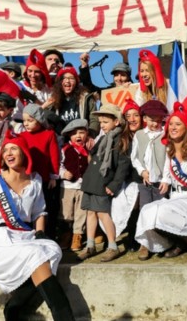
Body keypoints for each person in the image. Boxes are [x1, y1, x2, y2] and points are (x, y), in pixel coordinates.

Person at [0, 134, 75, 321]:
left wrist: (41, 233)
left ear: (24, 153)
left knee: (52, 250)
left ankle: (14, 307)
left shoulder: (35, 181)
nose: (8, 153)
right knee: (38, 256)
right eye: (5, 150)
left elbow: (39, 212)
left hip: (24, 237)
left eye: (14, 149)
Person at [135, 102, 187, 266]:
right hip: (177, 195)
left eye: (178, 124)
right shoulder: (170, 149)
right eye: (171, 124)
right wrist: (166, 180)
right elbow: (167, 171)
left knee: (162, 212)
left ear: (186, 127)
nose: (173, 127)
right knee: (148, 212)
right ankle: (181, 242)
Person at [77, 104, 127, 263]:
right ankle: (90, 245)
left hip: (103, 182)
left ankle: (113, 246)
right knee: (90, 213)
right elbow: (93, 155)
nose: (102, 125)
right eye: (101, 122)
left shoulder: (121, 140)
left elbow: (122, 166)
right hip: (92, 180)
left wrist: (114, 185)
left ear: (117, 122)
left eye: (105, 122)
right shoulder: (104, 138)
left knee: (103, 214)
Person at [130, 100, 168, 260]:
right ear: (145, 118)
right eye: (152, 119)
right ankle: (144, 244)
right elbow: (135, 157)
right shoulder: (139, 135)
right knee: (145, 210)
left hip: (161, 181)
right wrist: (142, 171)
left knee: (161, 212)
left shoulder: (165, 134)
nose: (155, 123)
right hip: (146, 181)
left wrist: (166, 179)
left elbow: (169, 159)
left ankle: (162, 243)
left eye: (158, 120)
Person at [20, 104, 61, 238]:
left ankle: (45, 234)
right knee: (27, 206)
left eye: (30, 120)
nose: (26, 123)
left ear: (39, 120)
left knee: (44, 207)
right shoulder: (22, 135)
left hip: (43, 178)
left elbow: (54, 156)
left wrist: (53, 176)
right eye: (24, 120)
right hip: (27, 179)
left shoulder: (49, 135)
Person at [111, 100, 144, 252]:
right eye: (128, 115)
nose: (132, 119)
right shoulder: (122, 138)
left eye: (136, 115)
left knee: (138, 198)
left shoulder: (146, 136)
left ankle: (139, 237)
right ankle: (130, 234)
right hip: (127, 181)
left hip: (144, 180)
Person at [58, 119, 90, 252]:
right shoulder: (65, 149)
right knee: (66, 212)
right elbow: (58, 165)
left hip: (83, 186)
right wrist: (63, 173)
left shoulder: (88, 150)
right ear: (69, 136)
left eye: (81, 133)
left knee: (81, 212)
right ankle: (66, 235)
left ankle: (78, 235)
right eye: (74, 133)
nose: (78, 136)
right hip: (68, 186)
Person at [43, 66, 99, 135]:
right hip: (61, 141)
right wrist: (44, 106)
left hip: (82, 139)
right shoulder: (53, 100)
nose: (67, 81)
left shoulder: (86, 98)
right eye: (63, 78)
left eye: (71, 78)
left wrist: (91, 135)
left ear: (76, 81)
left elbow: (94, 119)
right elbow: (40, 119)